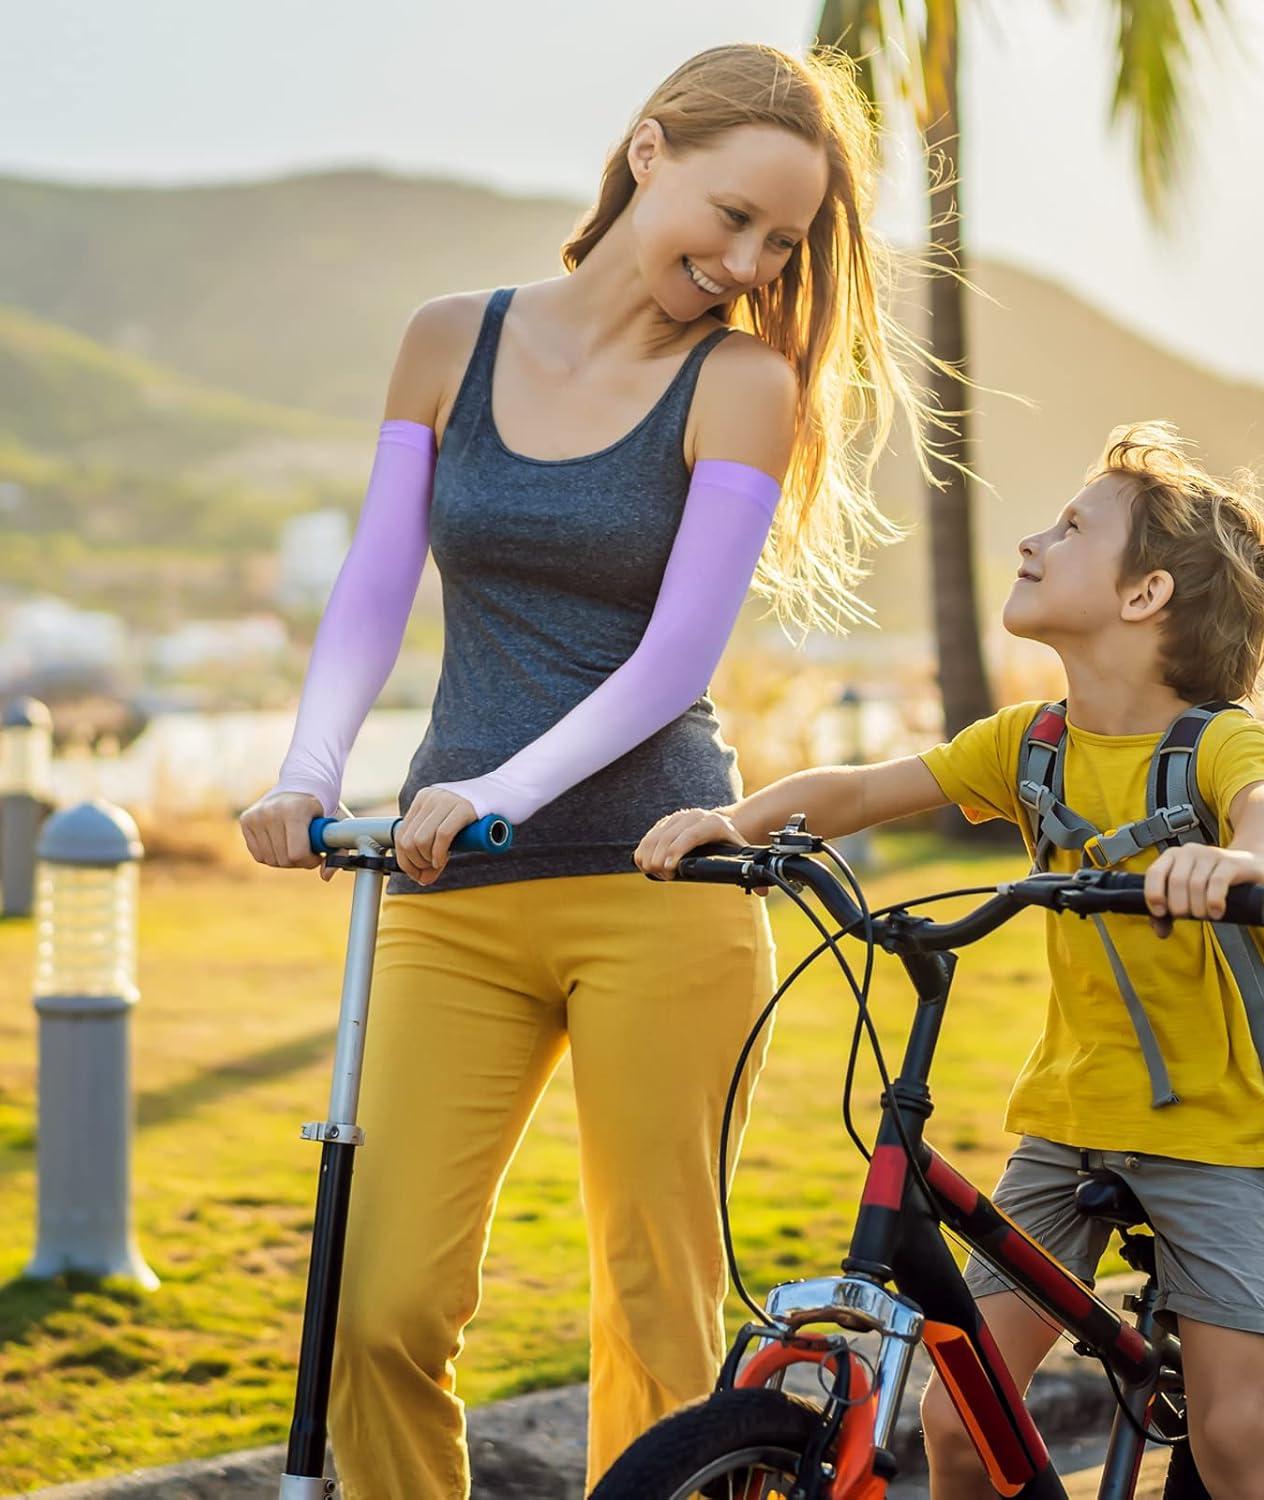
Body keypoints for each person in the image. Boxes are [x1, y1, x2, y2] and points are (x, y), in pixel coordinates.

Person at [239, 41, 964, 1499]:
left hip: (663, 889)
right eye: (734, 213)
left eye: (783, 241)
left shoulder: (742, 383)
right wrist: (309, 770)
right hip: (454, 893)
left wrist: (501, 787)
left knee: (652, 1321)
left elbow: (672, 667)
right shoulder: (451, 338)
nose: (749, 259)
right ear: (649, 154)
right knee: (379, 1312)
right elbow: (378, 588)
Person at [637, 422, 1264, 1500]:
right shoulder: (1032, 743)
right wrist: (738, 819)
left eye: (1073, 527)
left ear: (1143, 596)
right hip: (1071, 1119)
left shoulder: (1214, 745)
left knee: (1235, 1435)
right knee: (961, 1420)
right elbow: (860, 791)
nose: (1034, 541)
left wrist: (1239, 861)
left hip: (1220, 1134)